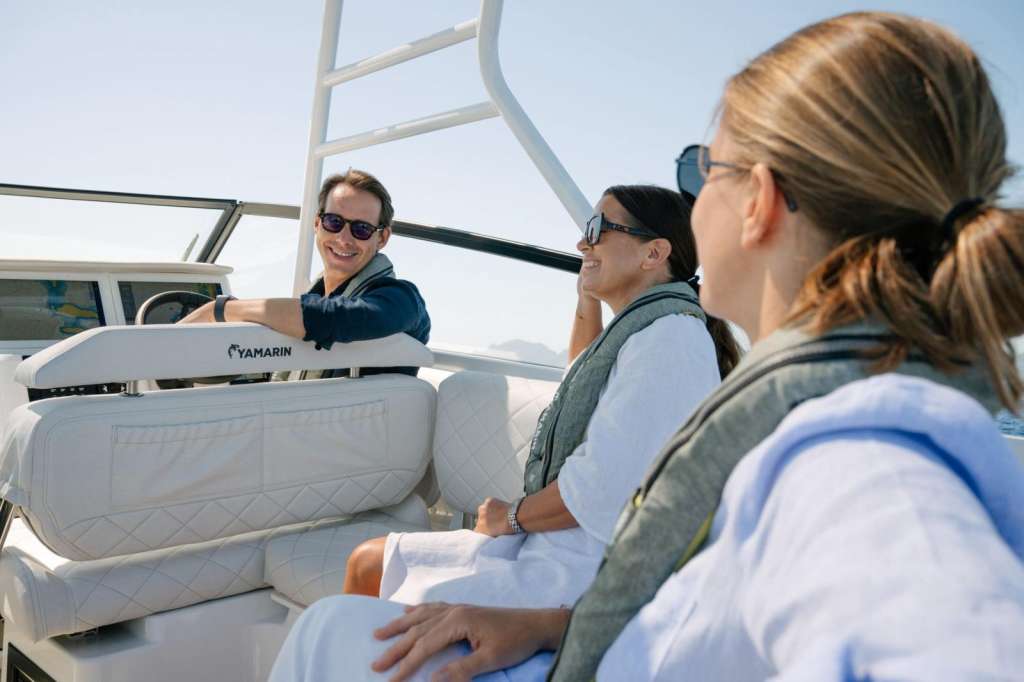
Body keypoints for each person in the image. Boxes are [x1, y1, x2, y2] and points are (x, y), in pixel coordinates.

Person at [269, 11, 1024, 682]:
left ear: (758, 203)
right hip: (577, 632)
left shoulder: (864, 463)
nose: (696, 199)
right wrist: (549, 628)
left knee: (329, 633)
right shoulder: (828, 406)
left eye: (703, 167)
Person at [340, 185, 739, 613]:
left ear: (654, 253)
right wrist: (587, 294)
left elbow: (600, 487)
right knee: (368, 562)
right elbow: (581, 376)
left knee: (369, 568)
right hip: (558, 544)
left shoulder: (670, 340)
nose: (582, 242)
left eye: (598, 228)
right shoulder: (650, 330)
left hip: (582, 571)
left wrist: (511, 517)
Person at [180, 169, 430, 376]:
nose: (343, 239)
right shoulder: (314, 298)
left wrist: (219, 310)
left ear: (382, 238)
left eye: (362, 229)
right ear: (317, 224)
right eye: (334, 222)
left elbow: (334, 318)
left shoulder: (404, 300)